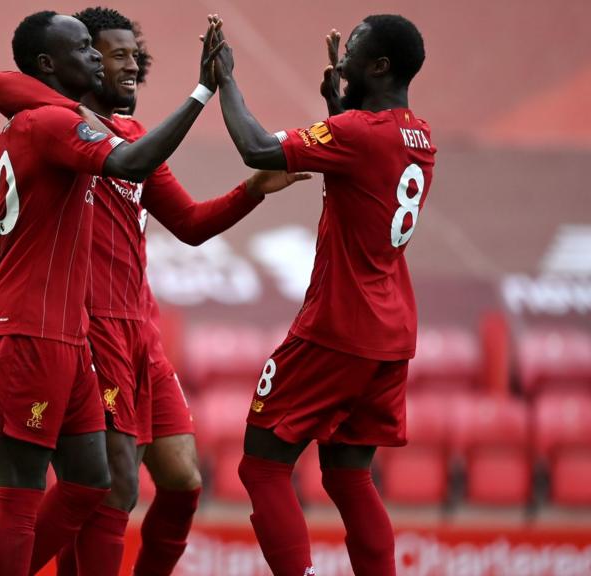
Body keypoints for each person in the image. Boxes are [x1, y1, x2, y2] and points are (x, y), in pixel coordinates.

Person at [0, 8, 309, 575]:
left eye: (136, 55)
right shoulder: (64, 134)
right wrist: (43, 294)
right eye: (112, 53)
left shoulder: (125, 138)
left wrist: (252, 190)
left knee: (181, 481)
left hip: (141, 332)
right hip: (85, 329)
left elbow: (192, 224)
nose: (130, 65)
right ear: (69, 63)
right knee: (113, 487)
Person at [207, 13, 435, 576]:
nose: (341, 56)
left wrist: (225, 79)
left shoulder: (359, 134)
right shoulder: (421, 136)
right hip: (391, 332)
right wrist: (341, 107)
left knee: (261, 467)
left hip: (338, 325)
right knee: (347, 474)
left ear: (379, 66)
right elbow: (363, 169)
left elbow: (258, 149)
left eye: (353, 49)